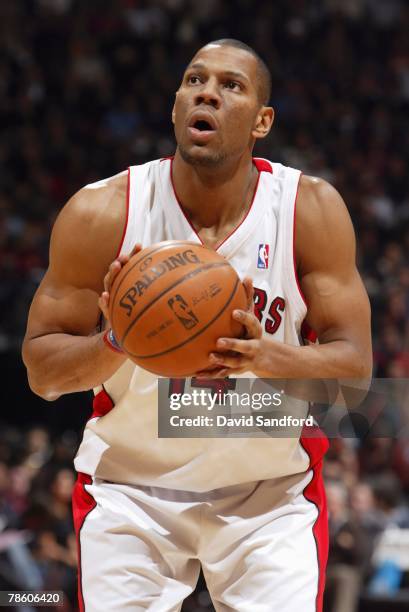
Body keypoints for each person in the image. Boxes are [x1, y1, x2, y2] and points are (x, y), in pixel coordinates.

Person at [22, 39, 372, 611]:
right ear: (176, 107)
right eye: (193, 81)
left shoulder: (308, 210)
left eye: (230, 85)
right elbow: (42, 373)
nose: (206, 91)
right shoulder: (103, 212)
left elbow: (356, 379)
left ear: (263, 121)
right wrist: (116, 341)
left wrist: (265, 356)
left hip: (270, 496)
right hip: (131, 491)